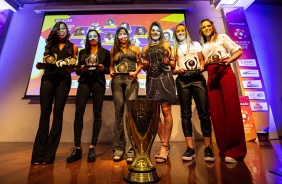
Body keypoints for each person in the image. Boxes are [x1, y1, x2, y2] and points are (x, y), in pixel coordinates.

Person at [199, 18, 246, 163]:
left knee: (231, 110)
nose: (206, 28)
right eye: (203, 27)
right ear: (201, 30)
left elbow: (238, 51)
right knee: (217, 113)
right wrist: (202, 66)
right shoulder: (203, 46)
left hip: (225, 72)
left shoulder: (222, 37)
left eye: (208, 25)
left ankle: (236, 151)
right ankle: (224, 149)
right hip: (211, 76)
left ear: (212, 27)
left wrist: (228, 61)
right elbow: (204, 63)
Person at [31, 22, 78, 165]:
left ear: (67, 31)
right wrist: (41, 66)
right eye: (59, 29)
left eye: (64, 29)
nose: (61, 31)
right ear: (55, 32)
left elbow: (73, 66)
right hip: (48, 79)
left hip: (63, 80)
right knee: (44, 114)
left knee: (58, 114)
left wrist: (72, 69)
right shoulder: (49, 46)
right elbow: (46, 62)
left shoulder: (73, 47)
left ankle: (48, 156)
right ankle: (37, 156)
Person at [66, 29, 110, 163]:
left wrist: (103, 69)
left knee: (97, 114)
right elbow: (78, 70)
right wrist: (82, 69)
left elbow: (109, 69)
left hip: (98, 83)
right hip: (84, 83)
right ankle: (77, 147)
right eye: (90, 36)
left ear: (98, 38)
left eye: (95, 36)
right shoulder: (82, 52)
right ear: (87, 38)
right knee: (78, 113)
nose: (92, 38)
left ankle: (92, 147)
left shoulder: (105, 52)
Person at [172, 24, 214, 161]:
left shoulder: (195, 44)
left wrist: (202, 66)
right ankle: (190, 148)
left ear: (186, 31)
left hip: (197, 78)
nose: (180, 33)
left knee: (204, 112)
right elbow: (173, 69)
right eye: (177, 31)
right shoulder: (173, 48)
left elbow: (202, 61)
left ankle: (208, 148)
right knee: (185, 113)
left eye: (182, 30)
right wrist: (178, 70)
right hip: (182, 80)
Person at [141, 21, 176, 163]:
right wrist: (144, 65)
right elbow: (145, 67)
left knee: (166, 111)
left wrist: (168, 61)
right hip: (151, 81)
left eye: (157, 30)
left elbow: (173, 64)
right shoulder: (146, 48)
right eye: (152, 30)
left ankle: (164, 146)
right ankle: (164, 144)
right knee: (155, 115)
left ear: (160, 32)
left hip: (165, 79)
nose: (154, 32)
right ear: (150, 33)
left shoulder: (166, 46)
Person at [109, 27, 142, 164]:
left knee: (130, 113)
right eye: (120, 34)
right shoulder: (113, 50)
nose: (123, 36)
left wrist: (136, 73)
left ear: (128, 35)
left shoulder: (135, 49)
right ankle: (118, 149)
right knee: (119, 112)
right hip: (117, 81)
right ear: (117, 36)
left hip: (131, 81)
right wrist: (111, 71)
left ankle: (130, 150)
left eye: (124, 34)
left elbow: (140, 64)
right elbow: (111, 67)